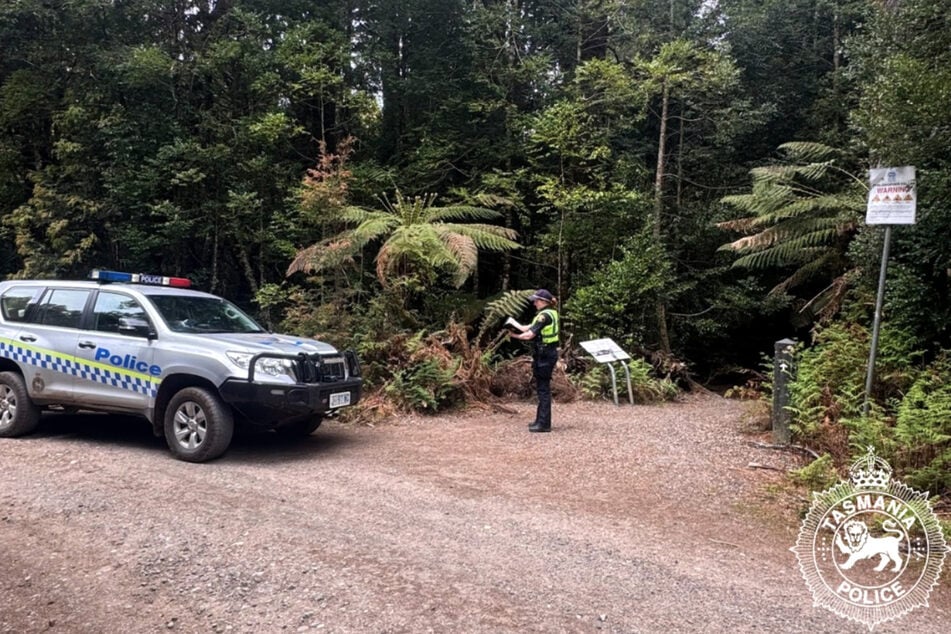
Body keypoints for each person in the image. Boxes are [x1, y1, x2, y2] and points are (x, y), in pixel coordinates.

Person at [508, 289, 560, 432]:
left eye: (536, 300)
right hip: (546, 354)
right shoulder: (551, 313)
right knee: (541, 388)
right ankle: (540, 420)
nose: (534, 303)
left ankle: (544, 424)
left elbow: (529, 335)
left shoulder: (544, 316)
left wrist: (514, 336)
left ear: (543, 302)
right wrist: (513, 324)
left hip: (545, 355)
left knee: (543, 389)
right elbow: (527, 327)